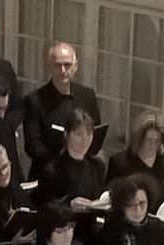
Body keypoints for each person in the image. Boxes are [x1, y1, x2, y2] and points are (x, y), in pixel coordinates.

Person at [21, 42, 103, 175]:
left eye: (67, 65)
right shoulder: (34, 100)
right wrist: (61, 164)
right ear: (49, 67)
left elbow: (96, 133)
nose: (63, 70)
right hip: (49, 173)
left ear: (75, 66)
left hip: (82, 171)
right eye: (58, 65)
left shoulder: (87, 95)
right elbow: (32, 144)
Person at [31, 110, 107, 224]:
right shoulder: (52, 170)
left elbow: (101, 198)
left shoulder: (97, 165)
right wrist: (69, 206)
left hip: (91, 226)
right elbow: (46, 209)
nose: (85, 140)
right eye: (78, 134)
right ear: (66, 135)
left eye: (89, 133)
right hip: (64, 227)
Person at [107, 111, 164, 204]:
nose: (153, 145)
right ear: (139, 139)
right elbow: (113, 200)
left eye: (157, 141)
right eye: (149, 140)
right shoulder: (119, 162)